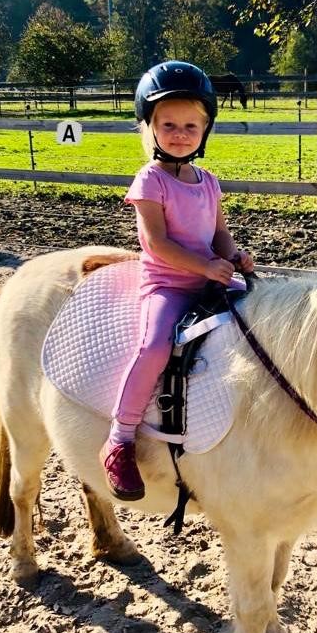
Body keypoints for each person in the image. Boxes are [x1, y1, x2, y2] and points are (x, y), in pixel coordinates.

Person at [100, 61, 254, 500]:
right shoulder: (150, 179)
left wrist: (233, 255)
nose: (180, 133)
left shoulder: (208, 181)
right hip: (167, 285)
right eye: (168, 124)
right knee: (154, 346)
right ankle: (120, 438)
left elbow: (218, 233)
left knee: (259, 322)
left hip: (211, 279)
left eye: (191, 125)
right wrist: (205, 267)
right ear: (149, 126)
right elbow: (156, 243)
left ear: (205, 130)